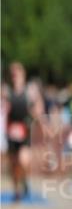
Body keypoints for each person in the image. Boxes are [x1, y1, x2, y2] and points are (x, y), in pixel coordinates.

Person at [4, 63, 44, 201]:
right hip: (11, 133)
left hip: (25, 132)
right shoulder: (6, 91)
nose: (14, 76)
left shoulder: (30, 91)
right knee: (13, 165)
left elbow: (39, 109)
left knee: (23, 161)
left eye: (17, 72)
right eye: (12, 73)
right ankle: (17, 191)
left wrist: (34, 113)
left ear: (23, 74)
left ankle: (24, 179)